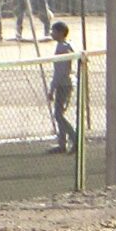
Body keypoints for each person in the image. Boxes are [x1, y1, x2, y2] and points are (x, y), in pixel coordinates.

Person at [47, 21, 77, 153]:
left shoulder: (62, 48)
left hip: (63, 85)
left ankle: (74, 138)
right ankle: (62, 144)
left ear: (60, 33)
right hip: (67, 83)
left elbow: (59, 72)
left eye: (53, 31)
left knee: (58, 115)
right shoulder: (66, 45)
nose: (51, 34)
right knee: (59, 114)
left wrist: (52, 89)